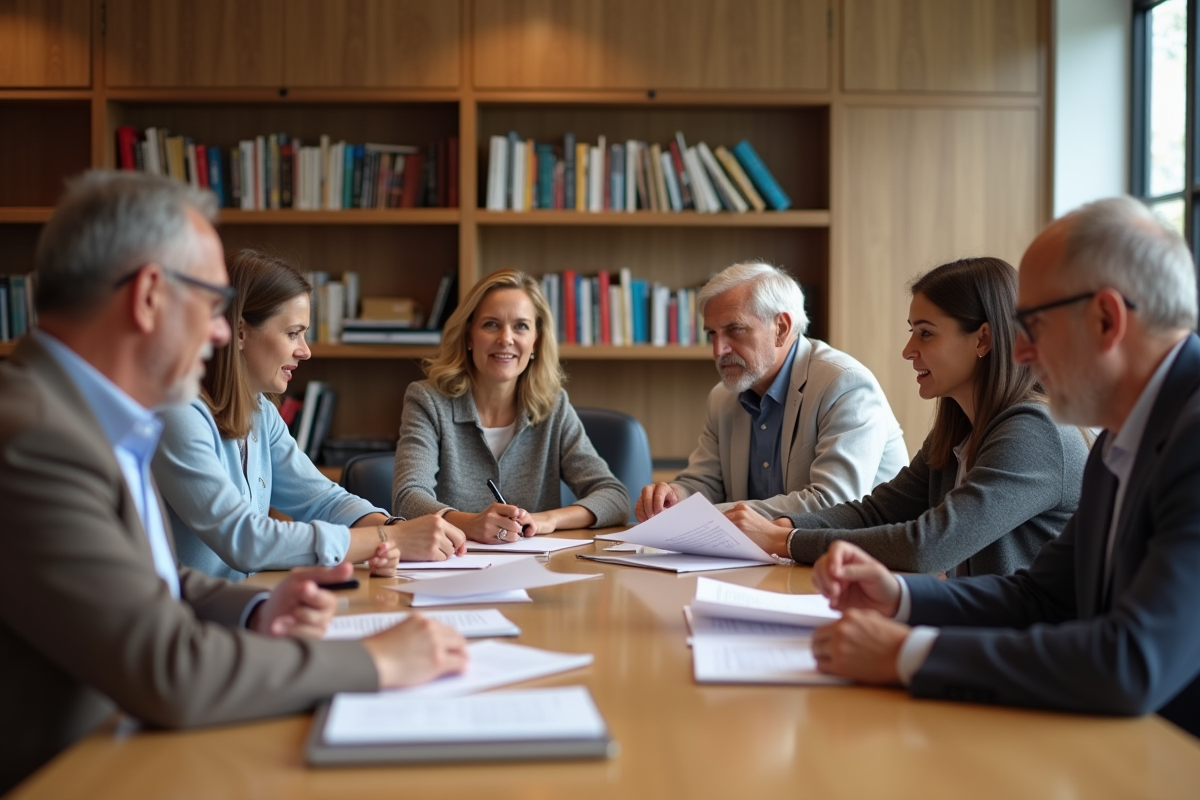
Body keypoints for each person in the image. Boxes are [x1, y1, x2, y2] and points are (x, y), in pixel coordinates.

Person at [0, 171, 468, 794]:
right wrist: (373, 660)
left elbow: (142, 577)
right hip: (75, 772)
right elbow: (170, 670)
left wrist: (252, 607)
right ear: (148, 297)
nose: (221, 331)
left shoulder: (84, 417)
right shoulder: (35, 437)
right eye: (211, 303)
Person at [806, 196, 1200, 737]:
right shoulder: (1122, 435)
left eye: (1032, 327)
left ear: (1106, 319)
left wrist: (912, 653)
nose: (1021, 354)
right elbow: (1040, 595)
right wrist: (900, 596)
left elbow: (1132, 661)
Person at [726, 257, 1089, 576]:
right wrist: (781, 526)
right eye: (911, 332)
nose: (908, 350)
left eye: (926, 334)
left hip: (1026, 645)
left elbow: (927, 545)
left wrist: (788, 540)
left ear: (983, 340)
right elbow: (879, 512)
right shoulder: (961, 428)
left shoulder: (1035, 431)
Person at [153, 249, 466, 582]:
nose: (305, 350)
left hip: (242, 607)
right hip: (189, 623)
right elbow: (244, 540)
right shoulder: (178, 413)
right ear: (240, 332)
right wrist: (389, 539)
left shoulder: (261, 412)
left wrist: (394, 531)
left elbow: (322, 499)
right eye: (292, 333)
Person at [635, 262, 908, 522]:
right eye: (712, 334)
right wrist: (674, 497)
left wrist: (709, 516)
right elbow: (706, 482)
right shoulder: (722, 398)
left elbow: (833, 503)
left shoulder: (844, 384)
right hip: (769, 558)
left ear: (781, 328)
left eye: (735, 330)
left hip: (857, 561)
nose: (719, 351)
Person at [393, 269, 630, 542]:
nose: (506, 338)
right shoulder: (428, 401)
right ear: (469, 336)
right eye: (491, 324)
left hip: (533, 571)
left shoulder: (553, 406)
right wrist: (469, 524)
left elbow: (614, 497)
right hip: (451, 566)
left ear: (535, 342)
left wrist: (546, 520)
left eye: (521, 326)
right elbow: (407, 497)